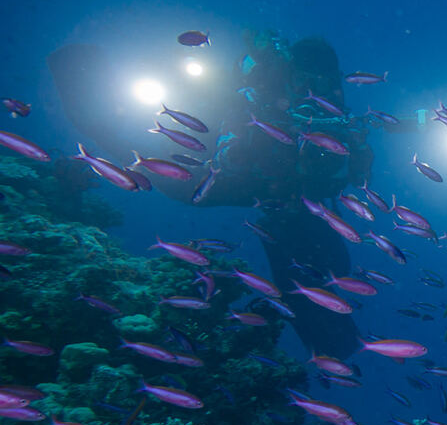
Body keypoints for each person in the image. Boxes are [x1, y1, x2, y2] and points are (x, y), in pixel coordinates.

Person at [48, 33, 396, 358]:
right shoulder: (266, 90)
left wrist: (353, 154)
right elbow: (227, 130)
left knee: (334, 269)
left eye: (324, 79)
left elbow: (353, 174)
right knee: (171, 180)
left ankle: (312, 334)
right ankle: (84, 92)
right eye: (310, 78)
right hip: (247, 180)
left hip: (300, 202)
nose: (317, 86)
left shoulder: (334, 108)